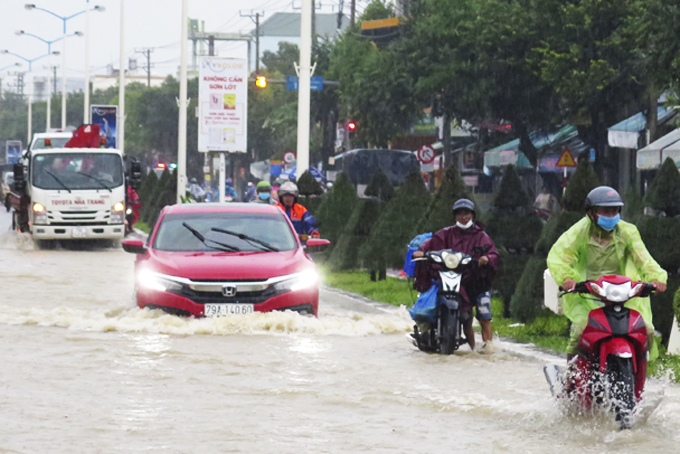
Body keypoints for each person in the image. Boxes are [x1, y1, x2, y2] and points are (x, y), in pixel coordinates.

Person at [547, 186, 667, 362]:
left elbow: (644, 259)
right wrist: (567, 278)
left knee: (646, 330)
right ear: (591, 212)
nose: (611, 216)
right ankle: (571, 378)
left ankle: (639, 377)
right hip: (586, 293)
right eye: (606, 211)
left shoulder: (628, 232)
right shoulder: (577, 233)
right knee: (581, 330)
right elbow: (559, 258)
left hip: (624, 293)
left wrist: (657, 278)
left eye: (614, 211)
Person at [413, 198, 500, 352]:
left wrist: (487, 258)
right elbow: (431, 242)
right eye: (459, 214)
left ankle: (488, 348)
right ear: (455, 216)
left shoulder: (482, 236)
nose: (463, 217)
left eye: (466, 213)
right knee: (466, 318)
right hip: (456, 281)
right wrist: (421, 250)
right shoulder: (446, 233)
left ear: (472, 215)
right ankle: (473, 348)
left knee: (484, 315)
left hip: (477, 281)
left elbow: (493, 253)